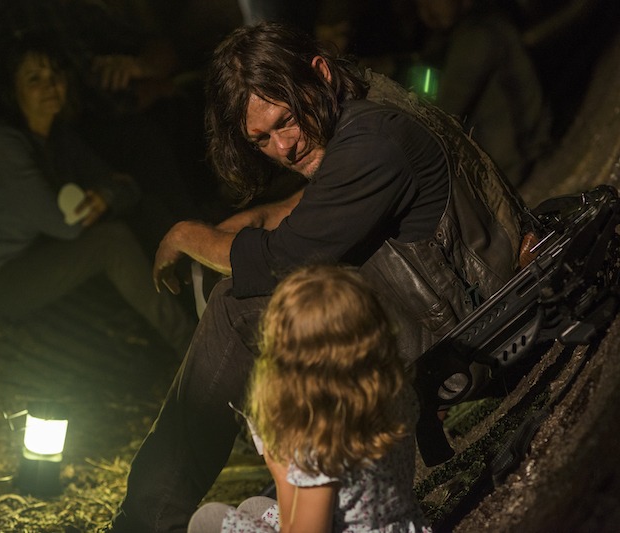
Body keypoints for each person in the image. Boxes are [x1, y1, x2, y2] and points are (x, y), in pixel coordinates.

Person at [110, 22, 525, 532]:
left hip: (464, 335)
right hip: (452, 309)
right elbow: (303, 208)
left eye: (285, 121)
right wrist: (241, 224)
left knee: (237, 306)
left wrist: (186, 235)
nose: (284, 147)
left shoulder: (372, 142)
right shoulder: (360, 113)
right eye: (261, 139)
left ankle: (146, 521)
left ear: (320, 73)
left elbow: (283, 258)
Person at [0, 31, 195, 359]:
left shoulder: (58, 139)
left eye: (56, 75)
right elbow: (65, 226)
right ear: (13, 90)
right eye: (34, 79)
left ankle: (198, 295)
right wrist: (107, 195)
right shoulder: (0, 147)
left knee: (143, 212)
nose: (50, 86)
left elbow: (127, 189)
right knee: (111, 241)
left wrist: (107, 194)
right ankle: (191, 344)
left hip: (22, 258)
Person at [187, 264, 431, 533]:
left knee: (208, 518)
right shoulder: (394, 391)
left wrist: (281, 473)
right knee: (253, 507)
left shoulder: (320, 443)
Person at [412, 0, 551, 186]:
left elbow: (445, 109)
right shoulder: (453, 37)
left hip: (517, 162)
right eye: (420, 5)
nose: (428, 10)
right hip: (509, 160)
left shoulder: (477, 35)